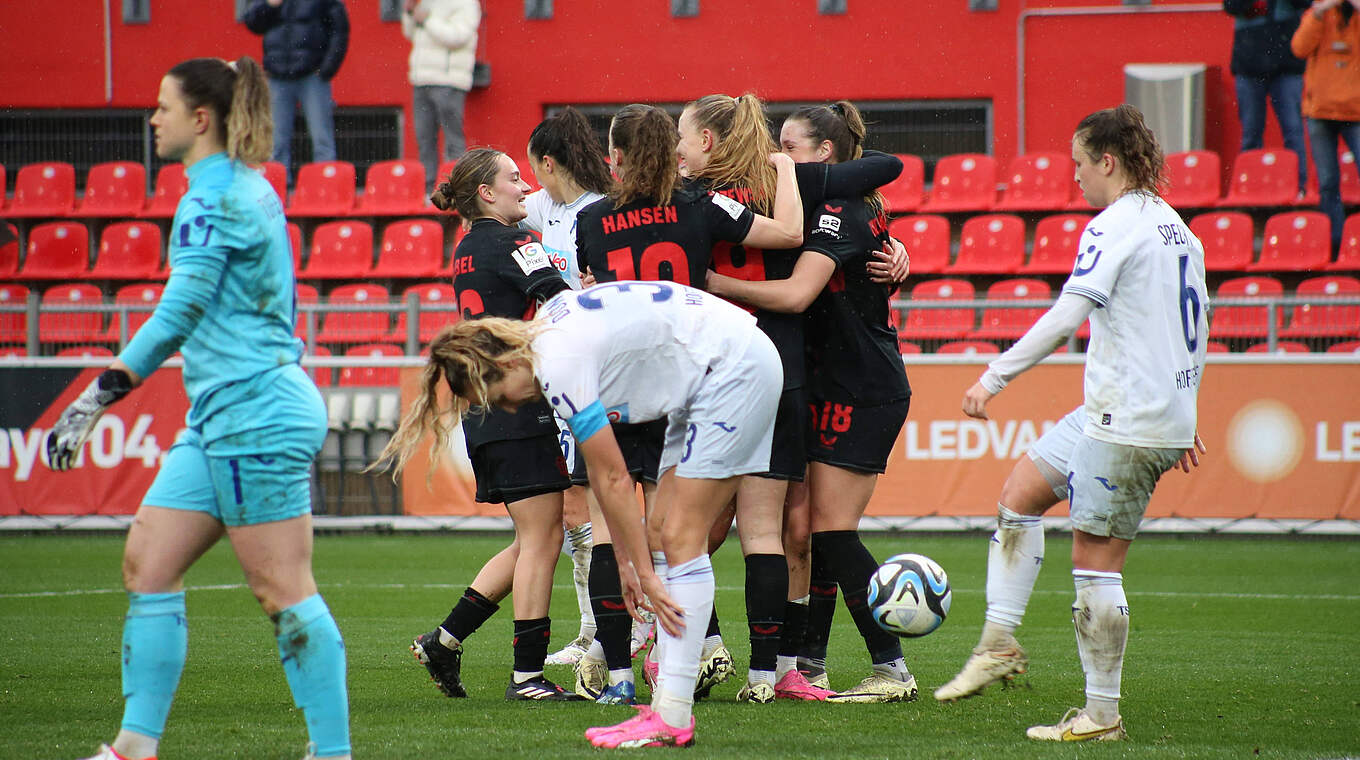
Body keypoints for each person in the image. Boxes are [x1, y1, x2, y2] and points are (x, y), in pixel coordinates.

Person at [50, 57, 351, 760]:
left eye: (162, 106)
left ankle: (332, 754)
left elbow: (181, 308)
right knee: (148, 564)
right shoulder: (241, 186)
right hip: (222, 416)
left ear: (201, 119)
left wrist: (98, 394)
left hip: (254, 412)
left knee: (282, 587)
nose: (152, 118)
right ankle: (133, 746)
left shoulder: (215, 196)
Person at [379, 280, 783, 749]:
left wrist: (642, 573)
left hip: (732, 371)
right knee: (662, 535)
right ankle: (667, 713)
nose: (509, 406)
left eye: (499, 396)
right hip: (715, 369)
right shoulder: (551, 330)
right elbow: (605, 474)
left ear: (505, 363)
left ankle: (672, 717)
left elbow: (611, 478)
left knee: (679, 538)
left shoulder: (557, 365)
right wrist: (633, 563)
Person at [944, 104, 1209, 742]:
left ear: (1108, 162)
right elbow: (1192, 326)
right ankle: (999, 642)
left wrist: (994, 377)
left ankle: (1100, 717)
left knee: (1095, 565)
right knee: (1020, 494)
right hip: (1128, 410)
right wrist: (1185, 407)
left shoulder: (1112, 225)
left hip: (1127, 421)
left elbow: (1067, 317)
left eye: (1081, 165)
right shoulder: (1179, 229)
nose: (1076, 179)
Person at [676, 92, 908, 704]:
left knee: (825, 530)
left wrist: (708, 283)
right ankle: (804, 662)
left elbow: (801, 295)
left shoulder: (832, 210)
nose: (779, 158)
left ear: (822, 154)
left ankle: (891, 667)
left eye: (790, 149)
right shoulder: (812, 198)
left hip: (860, 384)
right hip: (810, 378)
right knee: (798, 528)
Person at [571, 102, 805, 708]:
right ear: (673, 152)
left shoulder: (593, 219)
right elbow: (785, 234)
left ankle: (621, 676)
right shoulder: (701, 203)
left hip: (620, 383)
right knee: (683, 535)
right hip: (686, 381)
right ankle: (701, 660)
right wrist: (783, 169)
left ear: (614, 156)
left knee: (608, 533)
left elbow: (591, 293)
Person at [389, 148, 584, 702]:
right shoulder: (512, 241)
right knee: (544, 540)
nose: (525, 186)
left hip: (487, 409)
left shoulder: (468, 248)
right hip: (516, 405)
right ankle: (528, 678)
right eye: (512, 178)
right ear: (486, 194)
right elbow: (561, 303)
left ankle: (444, 641)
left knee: (532, 539)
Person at [520, 107, 615, 668]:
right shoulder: (546, 206)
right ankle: (594, 632)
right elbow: (496, 202)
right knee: (574, 509)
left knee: (594, 508)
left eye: (533, 168)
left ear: (549, 162)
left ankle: (610, 633)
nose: (528, 182)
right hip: (558, 372)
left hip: (594, 375)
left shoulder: (598, 214)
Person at [243, 0, 349, 179]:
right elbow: (253, 23)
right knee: (276, 144)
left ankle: (325, 192)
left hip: (312, 76)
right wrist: (270, 5)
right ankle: (278, 194)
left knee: (322, 140)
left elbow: (340, 30)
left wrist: (326, 70)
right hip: (277, 77)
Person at [1292, 0, 1360, 254]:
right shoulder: (1318, 15)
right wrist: (1318, 13)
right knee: (1328, 182)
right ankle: (1335, 243)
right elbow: (1299, 48)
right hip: (1320, 111)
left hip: (1356, 111)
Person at [1225, 0, 1312, 194]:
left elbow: (1306, 3)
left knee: (1293, 130)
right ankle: (1251, 190)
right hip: (1249, 62)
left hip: (1287, 61)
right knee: (1251, 133)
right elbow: (1231, 6)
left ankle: (1298, 190)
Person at [401, 0, 480, 192]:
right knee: (424, 138)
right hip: (421, 79)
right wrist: (410, 13)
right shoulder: (426, 2)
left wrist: (428, 19)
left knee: (453, 138)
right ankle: (429, 191)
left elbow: (457, 37)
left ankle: (456, 189)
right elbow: (410, 34)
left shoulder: (467, 4)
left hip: (448, 79)